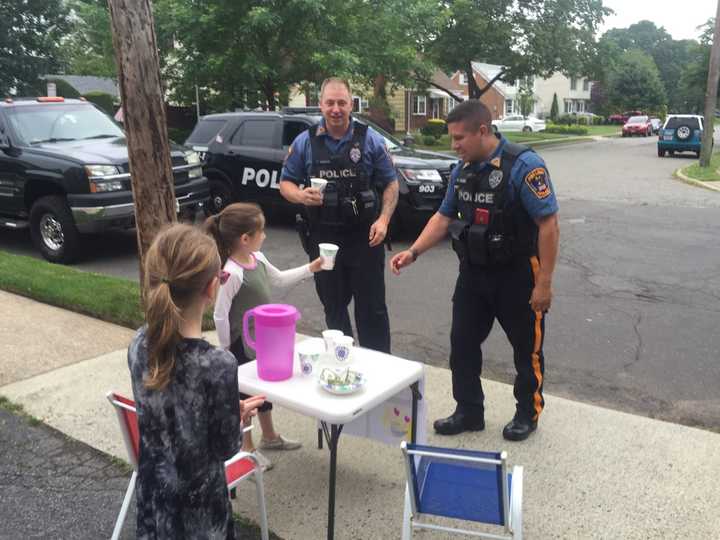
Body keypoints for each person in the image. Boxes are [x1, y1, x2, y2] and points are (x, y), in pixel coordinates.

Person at [390, 100, 559, 441]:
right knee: (462, 344)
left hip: (518, 274)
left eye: (459, 138)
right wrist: (414, 251)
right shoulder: (461, 170)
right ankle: (469, 411)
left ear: (483, 131)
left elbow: (549, 225)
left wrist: (544, 283)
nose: (454, 146)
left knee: (526, 350)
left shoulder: (523, 166)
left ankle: (527, 413)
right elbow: (443, 216)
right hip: (474, 273)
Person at [128, 223, 265, 539]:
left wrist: (226, 409)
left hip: (154, 497)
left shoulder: (139, 343)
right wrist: (238, 415)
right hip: (200, 511)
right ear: (212, 288)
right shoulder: (218, 364)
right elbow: (226, 446)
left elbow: (166, 407)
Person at [279, 77, 399, 353]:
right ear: (320, 105)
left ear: (351, 104)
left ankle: (380, 370)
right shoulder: (304, 142)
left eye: (342, 103)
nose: (336, 109)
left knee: (372, 309)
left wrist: (383, 220)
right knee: (333, 306)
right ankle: (342, 361)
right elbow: (285, 184)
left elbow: (391, 183)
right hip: (323, 238)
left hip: (364, 237)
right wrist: (301, 195)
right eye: (330, 103)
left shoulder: (370, 139)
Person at [206, 202, 324, 470]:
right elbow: (220, 314)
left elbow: (279, 279)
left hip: (263, 340)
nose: (266, 236)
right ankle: (247, 448)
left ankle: (269, 436)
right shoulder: (232, 273)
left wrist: (312, 267)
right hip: (239, 345)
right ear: (246, 239)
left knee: (264, 390)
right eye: (262, 231)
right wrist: (224, 348)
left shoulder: (257, 258)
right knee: (246, 397)